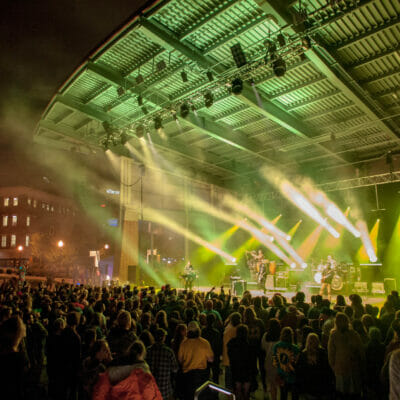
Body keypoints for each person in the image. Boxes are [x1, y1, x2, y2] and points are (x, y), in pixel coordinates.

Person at [93, 340, 162, 400]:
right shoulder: (143, 368)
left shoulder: (115, 364)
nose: (108, 351)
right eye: (105, 350)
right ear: (141, 354)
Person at [328, 312, 365, 399]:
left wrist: (362, 364)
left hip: (353, 368)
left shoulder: (354, 334)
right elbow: (331, 353)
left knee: (354, 392)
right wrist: (334, 367)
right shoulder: (334, 335)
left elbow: (361, 351)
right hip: (340, 369)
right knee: (342, 392)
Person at [178, 321, 213, 400]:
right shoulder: (205, 342)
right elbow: (211, 359)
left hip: (188, 376)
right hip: (201, 376)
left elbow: (180, 360)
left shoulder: (184, 343)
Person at [296, 333, 334, 399]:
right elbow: (327, 368)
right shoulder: (322, 352)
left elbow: (299, 370)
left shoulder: (303, 354)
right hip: (320, 385)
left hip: (309, 385)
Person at [0, 315, 27, 400]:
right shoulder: (14, 357)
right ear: (17, 331)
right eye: (22, 323)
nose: (25, 325)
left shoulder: (14, 350)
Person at [146, 328, 178, 400]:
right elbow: (175, 369)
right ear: (164, 338)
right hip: (165, 389)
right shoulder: (169, 352)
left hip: (151, 388)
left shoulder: (148, 350)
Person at [227, 324, 256, 400]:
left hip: (236, 368)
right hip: (247, 369)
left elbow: (229, 354)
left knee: (237, 389)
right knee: (246, 391)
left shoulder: (232, 342)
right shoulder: (250, 343)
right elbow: (253, 358)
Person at [273, 326, 299, 400]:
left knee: (283, 395)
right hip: (292, 375)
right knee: (294, 395)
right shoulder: (295, 348)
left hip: (281, 374)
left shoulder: (276, 346)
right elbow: (296, 362)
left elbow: (275, 361)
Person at [261, 318, 281, 400]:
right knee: (281, 384)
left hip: (269, 361)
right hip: (280, 362)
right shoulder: (280, 336)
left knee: (272, 384)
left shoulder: (266, 335)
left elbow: (262, 347)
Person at [222, 312, 241, 389]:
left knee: (228, 377)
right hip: (235, 357)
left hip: (227, 356)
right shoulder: (237, 330)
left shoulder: (228, 328)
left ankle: (229, 393)